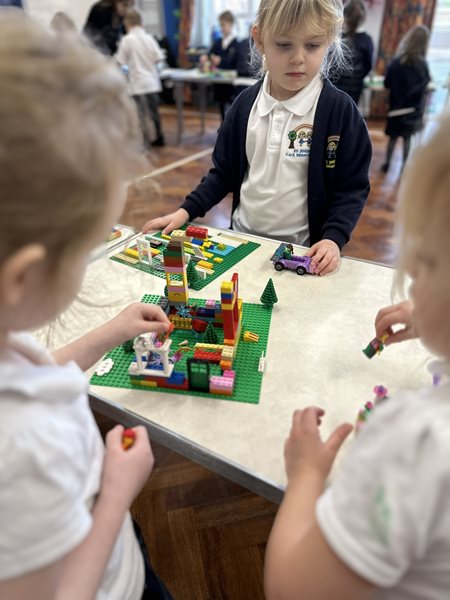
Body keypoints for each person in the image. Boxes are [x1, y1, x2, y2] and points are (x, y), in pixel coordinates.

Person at [0, 11, 173, 600]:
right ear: (22, 277)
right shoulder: (22, 445)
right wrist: (116, 495)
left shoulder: (7, 337)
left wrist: (109, 331)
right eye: (88, 247)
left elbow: (33, 375)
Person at [264, 111, 450, 598]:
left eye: (427, 260)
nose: (412, 271)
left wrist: (306, 476)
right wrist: (434, 315)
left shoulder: (416, 442)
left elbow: (292, 588)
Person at [143, 0, 371, 276]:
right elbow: (222, 174)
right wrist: (185, 212)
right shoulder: (243, 107)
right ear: (260, 40)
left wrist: (333, 238)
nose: (298, 58)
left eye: (312, 45)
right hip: (241, 244)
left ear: (329, 41)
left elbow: (351, 188)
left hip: (302, 254)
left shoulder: (341, 112)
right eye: (284, 45)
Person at [380, 25, 430, 173]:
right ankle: (404, 167)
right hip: (413, 110)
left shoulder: (396, 63)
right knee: (407, 139)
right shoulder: (423, 65)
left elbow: (387, 83)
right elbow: (424, 85)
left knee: (393, 138)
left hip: (396, 109)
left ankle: (387, 163)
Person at [116, 8, 166, 148]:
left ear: (127, 23)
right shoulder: (149, 38)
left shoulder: (126, 40)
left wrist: (124, 73)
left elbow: (121, 62)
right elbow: (159, 58)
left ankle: (144, 142)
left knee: (141, 115)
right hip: (152, 83)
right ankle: (159, 137)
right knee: (154, 112)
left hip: (137, 84)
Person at [199, 10, 239, 120]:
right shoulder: (218, 42)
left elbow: (234, 63)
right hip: (219, 81)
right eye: (220, 25)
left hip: (230, 84)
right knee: (221, 109)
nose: (221, 28)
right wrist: (205, 57)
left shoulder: (236, 43)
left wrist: (220, 61)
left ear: (231, 24)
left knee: (231, 110)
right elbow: (209, 53)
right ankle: (223, 126)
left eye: (223, 25)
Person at [333, 0, 373, 105]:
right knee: (349, 112)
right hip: (354, 88)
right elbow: (368, 66)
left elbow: (331, 63)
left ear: (344, 16)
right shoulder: (366, 40)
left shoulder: (338, 37)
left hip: (335, 86)